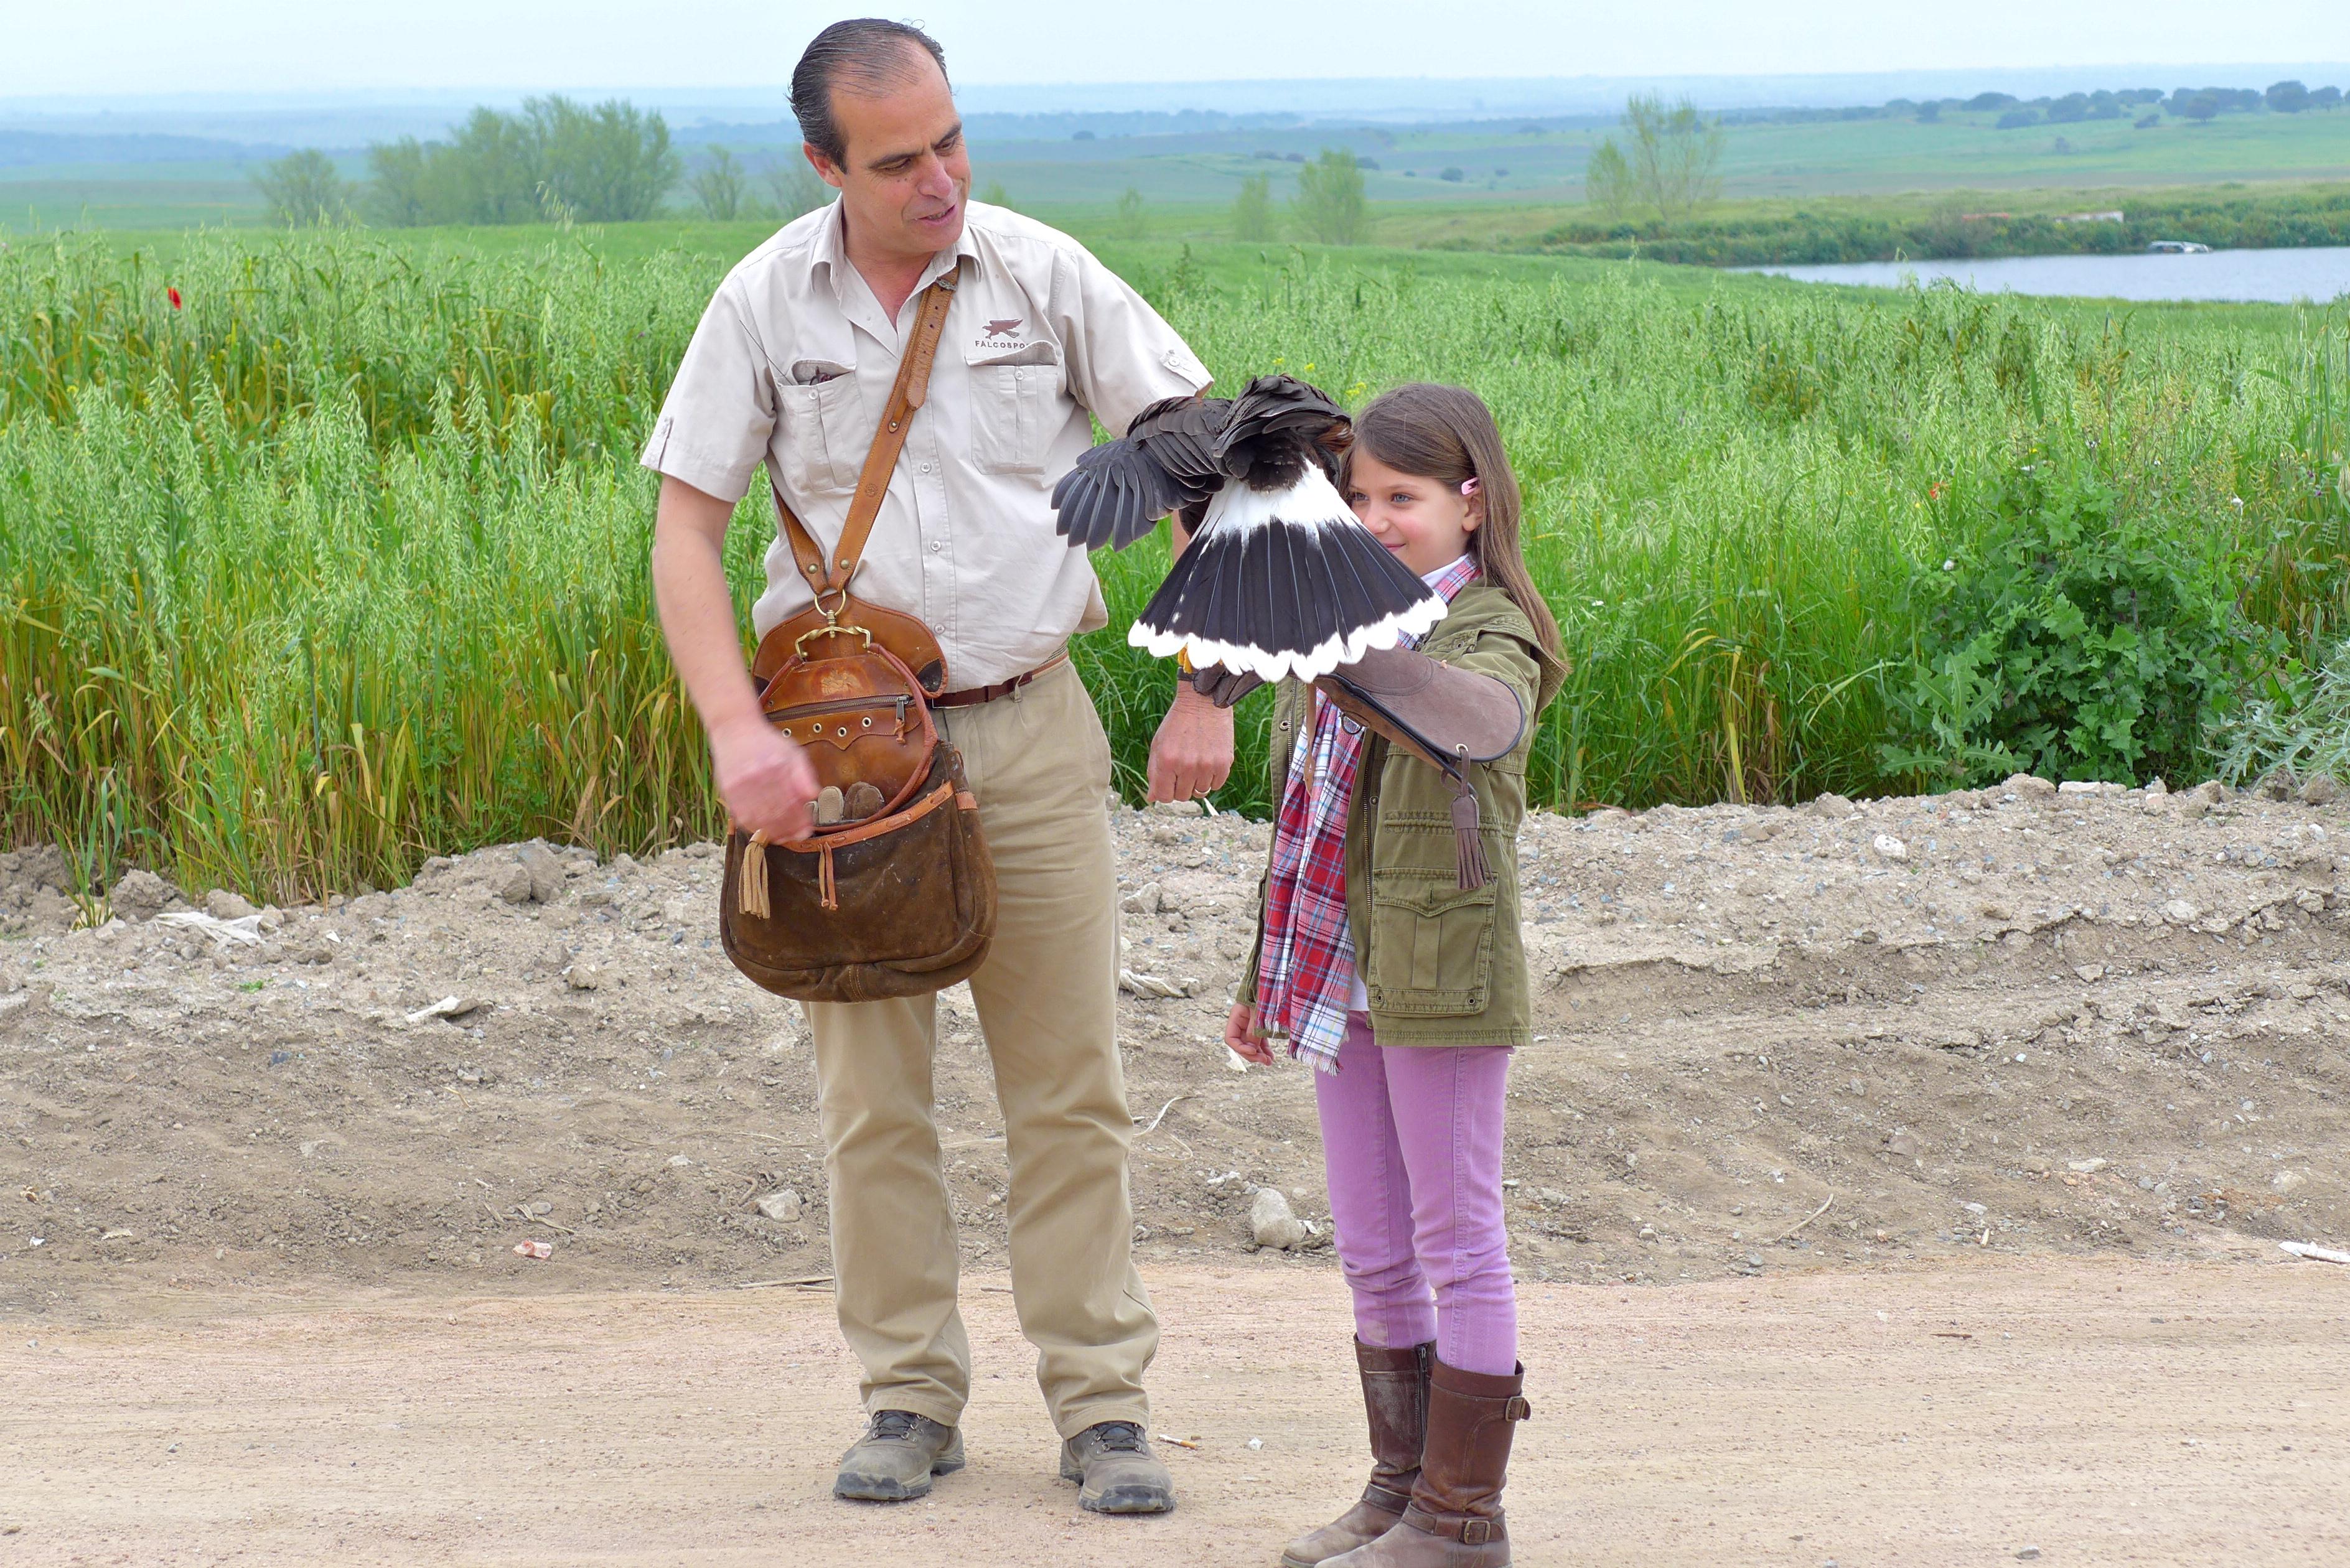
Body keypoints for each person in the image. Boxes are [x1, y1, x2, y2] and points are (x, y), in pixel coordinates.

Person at [642, 18, 1232, 1516]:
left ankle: (1103, 1408)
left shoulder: (1042, 271)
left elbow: (1199, 458)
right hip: (844, 754)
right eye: (898, 159)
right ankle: (906, 1398)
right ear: (822, 163)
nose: (940, 179)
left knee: (1070, 1089)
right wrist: (736, 736)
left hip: (1031, 728)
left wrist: (1205, 687)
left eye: (952, 141)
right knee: (873, 1100)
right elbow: (685, 535)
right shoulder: (764, 300)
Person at [1221, 384, 1569, 1567]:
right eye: (1355, 497)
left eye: (1402, 498)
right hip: (1337, 977)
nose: (1373, 519)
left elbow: (1481, 720)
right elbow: (1307, 825)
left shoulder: (1488, 629)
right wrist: (1265, 974)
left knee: (1457, 1241)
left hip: (1444, 977)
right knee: (1370, 1245)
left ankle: (1465, 1519)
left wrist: (1355, 647)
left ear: (1471, 504)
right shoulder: (1336, 627)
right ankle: (1400, 1491)